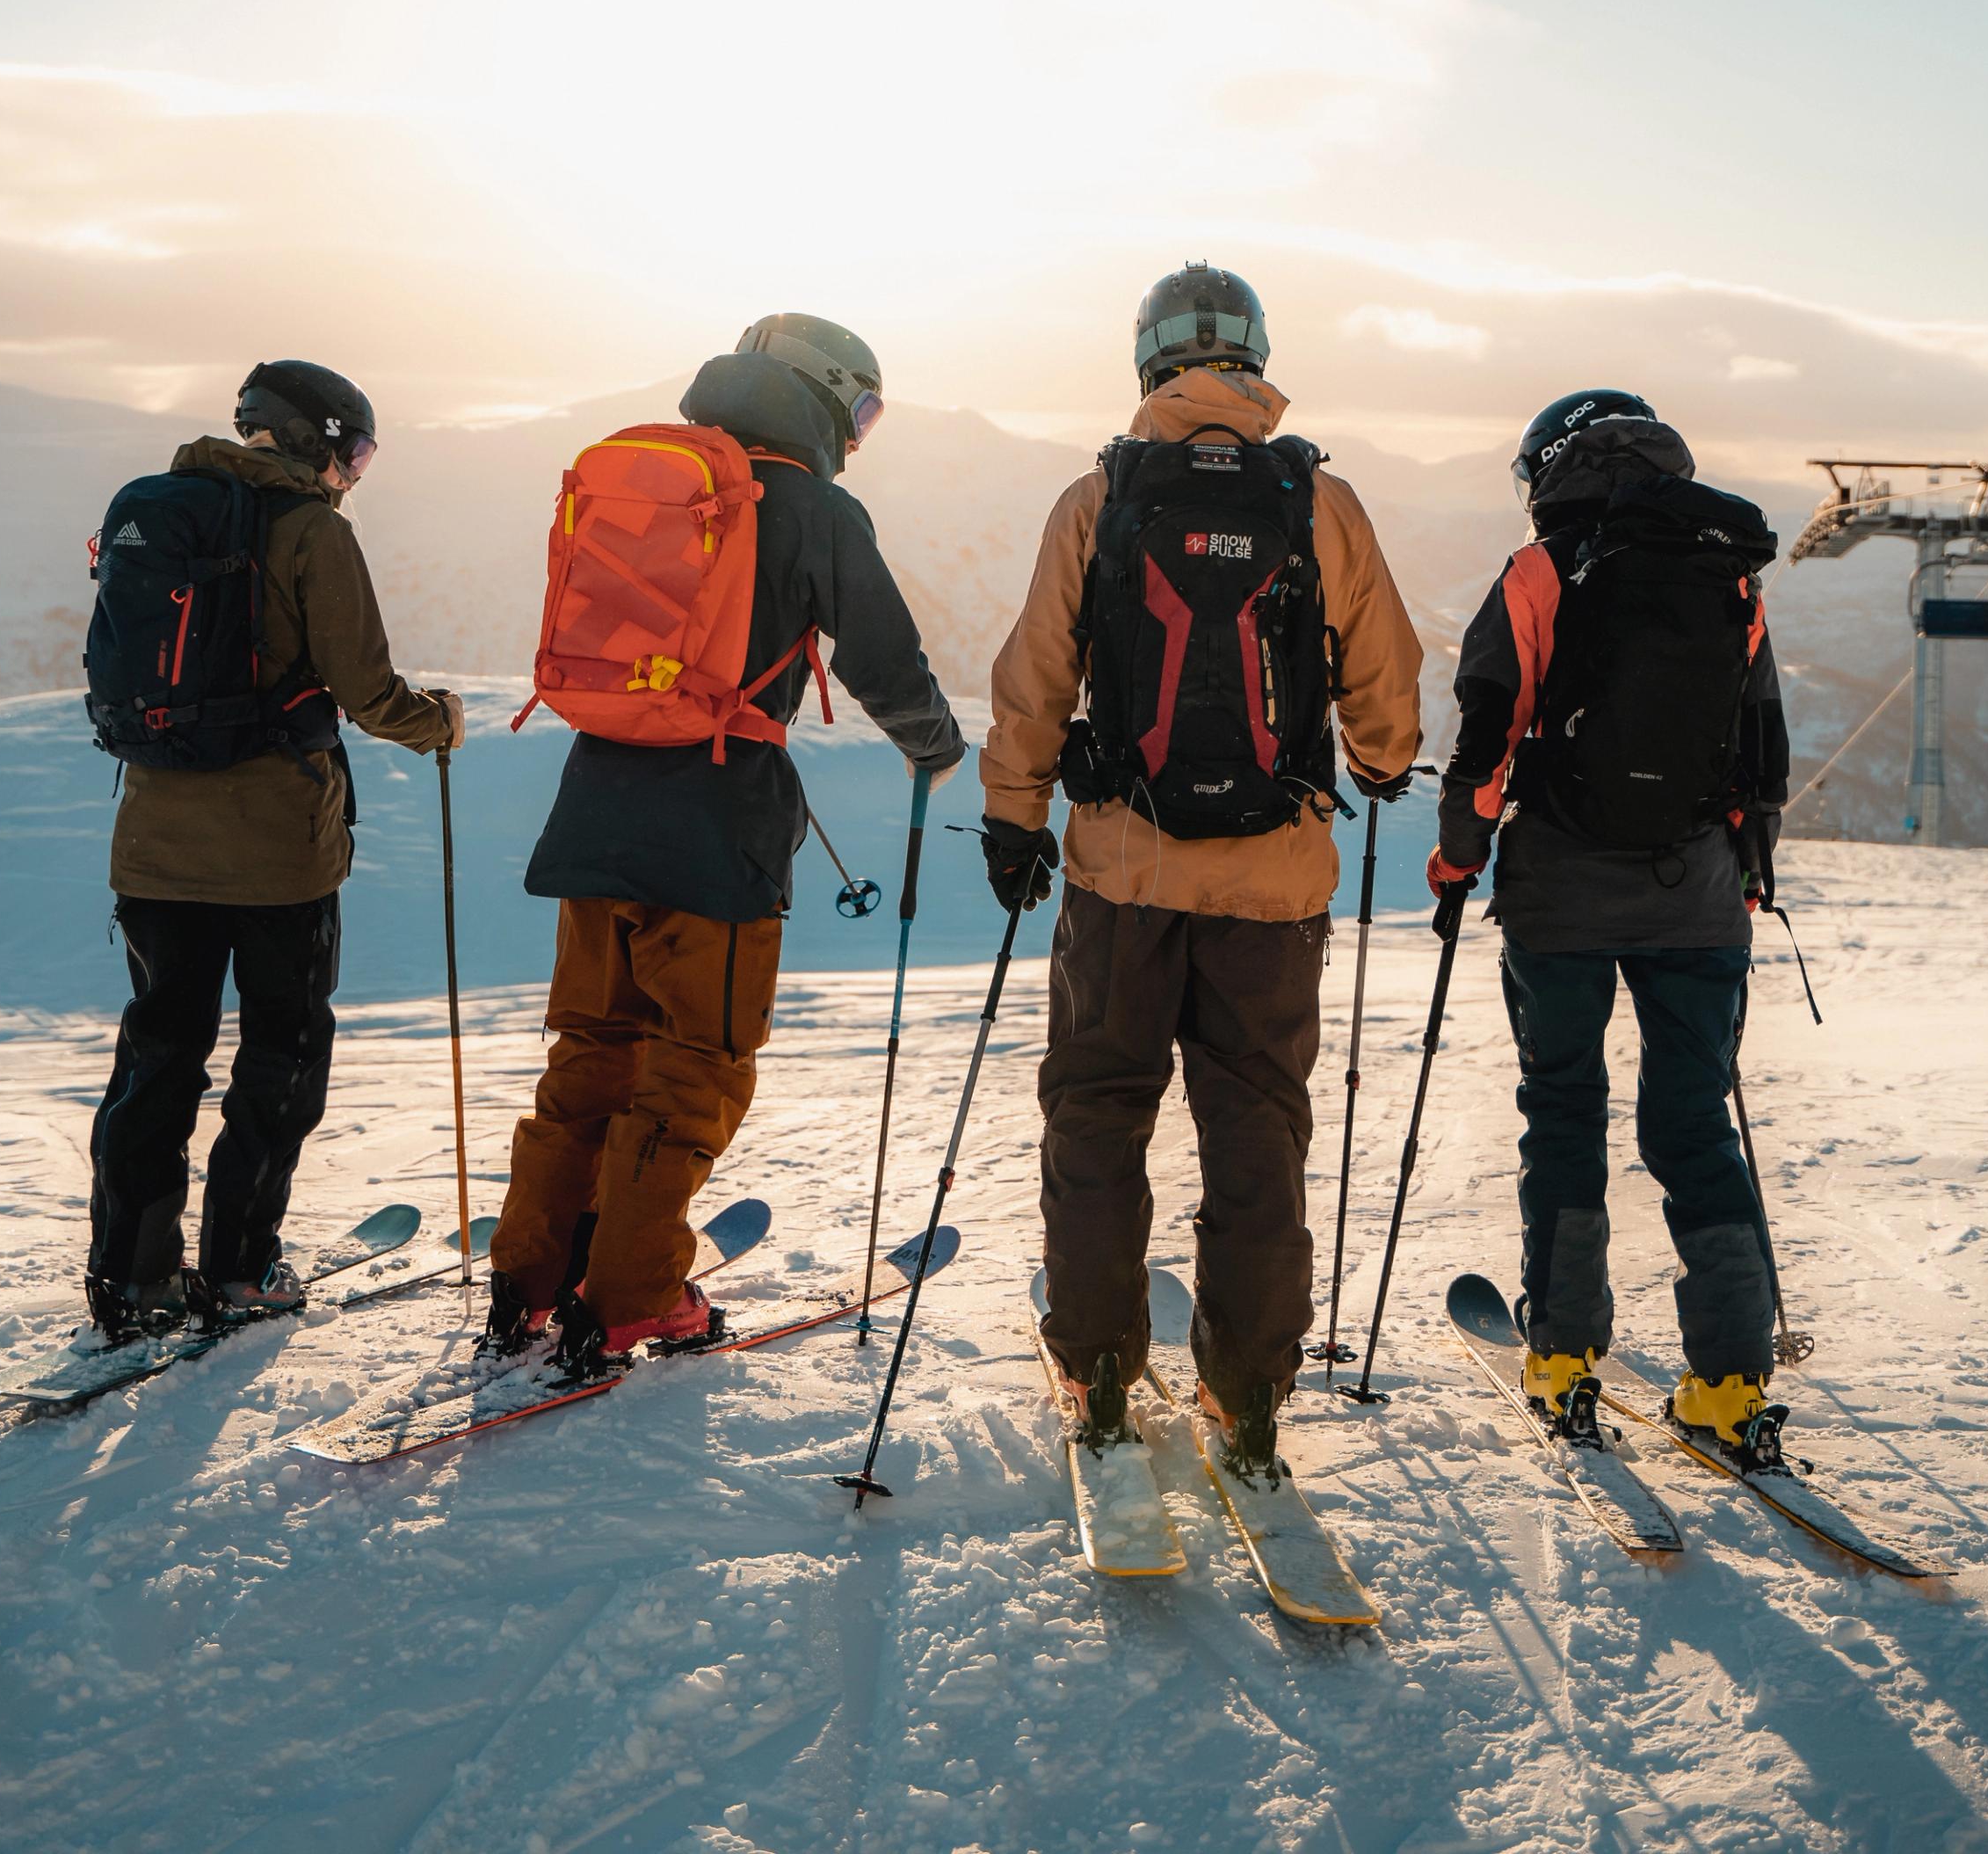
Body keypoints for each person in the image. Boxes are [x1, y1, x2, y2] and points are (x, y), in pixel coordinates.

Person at [983, 262, 1423, 1475]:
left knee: (1097, 1113)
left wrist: (1014, 818)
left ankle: (1101, 1366)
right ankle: (1250, 1384)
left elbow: (1034, 678)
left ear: (1149, 362)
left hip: (1123, 877)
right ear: (1255, 357)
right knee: (1257, 1127)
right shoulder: (1316, 502)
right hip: (1275, 891)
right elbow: (1387, 679)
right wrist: (1381, 763)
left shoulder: (1102, 496)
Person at [490, 316, 967, 1371]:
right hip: (715, 827)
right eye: (867, 411)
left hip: (594, 807)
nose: (862, 431)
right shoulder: (810, 506)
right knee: (693, 1066)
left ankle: (528, 1280)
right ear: (828, 396)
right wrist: (935, 747)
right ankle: (629, 1298)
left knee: (591, 1056)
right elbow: (885, 658)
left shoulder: (653, 477)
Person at [1426, 389, 1794, 1458]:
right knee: (1694, 1127)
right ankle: (1727, 1381)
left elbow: (1488, 724)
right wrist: (1749, 874)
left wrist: (1462, 853)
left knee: (1565, 1112)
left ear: (1547, 468)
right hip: (1700, 894)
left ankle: (1566, 1354)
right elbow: (1761, 747)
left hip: (1563, 895)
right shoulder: (1726, 567)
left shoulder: (1543, 569)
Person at [85, 359, 465, 1341]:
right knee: (282, 1052)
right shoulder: (309, 532)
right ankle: (241, 1269)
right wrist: (442, 724)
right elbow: (369, 690)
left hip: (154, 850)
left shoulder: (160, 514)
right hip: (279, 858)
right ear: (320, 441)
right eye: (357, 453)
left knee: (159, 1053)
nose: (353, 475)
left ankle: (131, 1277)